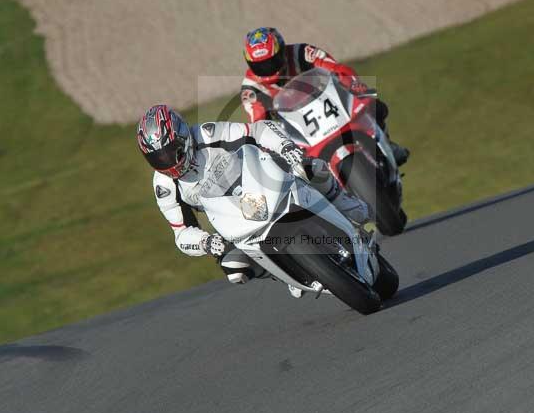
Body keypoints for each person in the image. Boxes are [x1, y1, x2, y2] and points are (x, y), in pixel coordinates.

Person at [136, 104, 371, 298]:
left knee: (312, 169)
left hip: (257, 178)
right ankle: (285, 273)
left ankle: (349, 208)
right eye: (157, 158)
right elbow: (181, 233)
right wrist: (206, 242)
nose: (168, 162)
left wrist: (286, 147)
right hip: (233, 219)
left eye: (170, 151)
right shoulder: (164, 185)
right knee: (234, 268)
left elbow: (257, 130)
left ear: (183, 136)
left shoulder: (207, 134)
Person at [240, 26, 409, 166]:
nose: (268, 68)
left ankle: (386, 145)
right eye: (260, 66)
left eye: (272, 61)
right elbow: (258, 122)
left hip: (327, 103)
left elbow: (336, 68)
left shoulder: (302, 52)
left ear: (283, 51)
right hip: (296, 128)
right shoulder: (250, 88)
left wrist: (356, 86)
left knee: (374, 106)